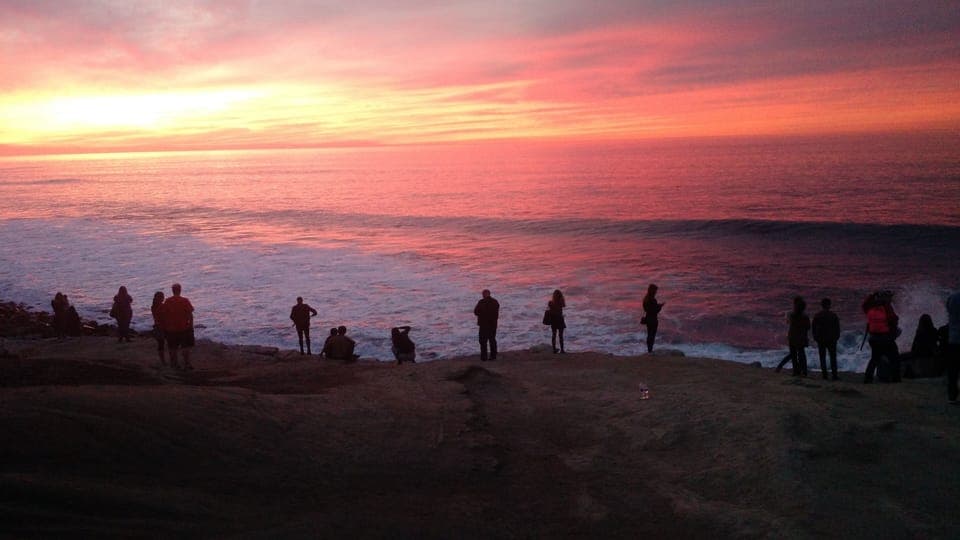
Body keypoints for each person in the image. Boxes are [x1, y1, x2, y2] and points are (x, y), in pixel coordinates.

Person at [862, 290, 901, 383]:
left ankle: (868, 379)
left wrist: (873, 295)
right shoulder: (886, 308)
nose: (891, 299)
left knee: (874, 359)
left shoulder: (870, 308)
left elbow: (864, 305)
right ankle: (896, 378)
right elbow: (893, 319)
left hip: (873, 338)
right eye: (889, 297)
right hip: (885, 338)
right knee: (894, 358)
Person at [161, 283, 195, 370]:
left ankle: (174, 364)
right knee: (185, 347)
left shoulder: (168, 301)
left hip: (171, 328)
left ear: (172, 291)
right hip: (183, 327)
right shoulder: (185, 301)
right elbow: (190, 314)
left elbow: (163, 315)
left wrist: (164, 326)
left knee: (172, 348)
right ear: (180, 290)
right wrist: (191, 326)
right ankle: (187, 364)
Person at [899, 314, 941, 378]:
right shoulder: (933, 330)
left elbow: (915, 345)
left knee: (901, 357)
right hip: (929, 353)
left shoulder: (920, 331)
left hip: (919, 353)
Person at [812, 298, 841, 380]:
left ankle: (825, 375)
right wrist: (836, 337)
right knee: (833, 357)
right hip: (831, 339)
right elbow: (837, 328)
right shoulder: (833, 315)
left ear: (822, 305)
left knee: (822, 357)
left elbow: (813, 327)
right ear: (829, 305)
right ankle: (834, 375)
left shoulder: (818, 315)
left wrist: (815, 337)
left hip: (821, 339)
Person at [786, 296, 811, 377]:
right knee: (801, 354)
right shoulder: (805, 316)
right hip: (801, 337)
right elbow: (808, 327)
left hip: (792, 337)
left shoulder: (791, 315)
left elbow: (787, 322)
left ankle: (795, 371)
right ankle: (804, 371)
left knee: (794, 355)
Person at [473, 289, 500, 361]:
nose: (482, 295)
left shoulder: (481, 302)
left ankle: (484, 357)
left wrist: (482, 314)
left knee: (483, 341)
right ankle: (493, 356)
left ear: (484, 294)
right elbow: (496, 312)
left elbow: (475, 312)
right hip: (493, 324)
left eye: (483, 294)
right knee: (492, 340)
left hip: (483, 325)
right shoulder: (495, 302)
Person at [946, 289, 960, 403]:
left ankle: (952, 395)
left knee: (953, 369)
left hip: (953, 338)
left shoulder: (952, 298)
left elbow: (948, 310)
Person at [642, 284, 664, 353]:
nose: (656, 292)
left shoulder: (645, 299)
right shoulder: (653, 300)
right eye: (655, 290)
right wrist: (660, 307)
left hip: (648, 319)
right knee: (652, 336)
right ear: (653, 291)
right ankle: (650, 350)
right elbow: (655, 311)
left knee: (649, 335)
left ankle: (649, 350)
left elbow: (648, 309)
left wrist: (657, 306)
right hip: (653, 320)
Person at [547, 289, 566, 354]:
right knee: (561, 336)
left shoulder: (550, 303)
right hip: (560, 319)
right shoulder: (561, 302)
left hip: (553, 320)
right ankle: (562, 350)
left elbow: (549, 309)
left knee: (554, 335)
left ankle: (554, 350)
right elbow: (564, 305)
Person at [150, 291, 166, 365]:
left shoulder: (154, 306)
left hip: (158, 326)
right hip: (161, 327)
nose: (163, 298)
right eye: (162, 297)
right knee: (162, 344)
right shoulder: (160, 306)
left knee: (161, 344)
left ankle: (162, 360)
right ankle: (163, 361)